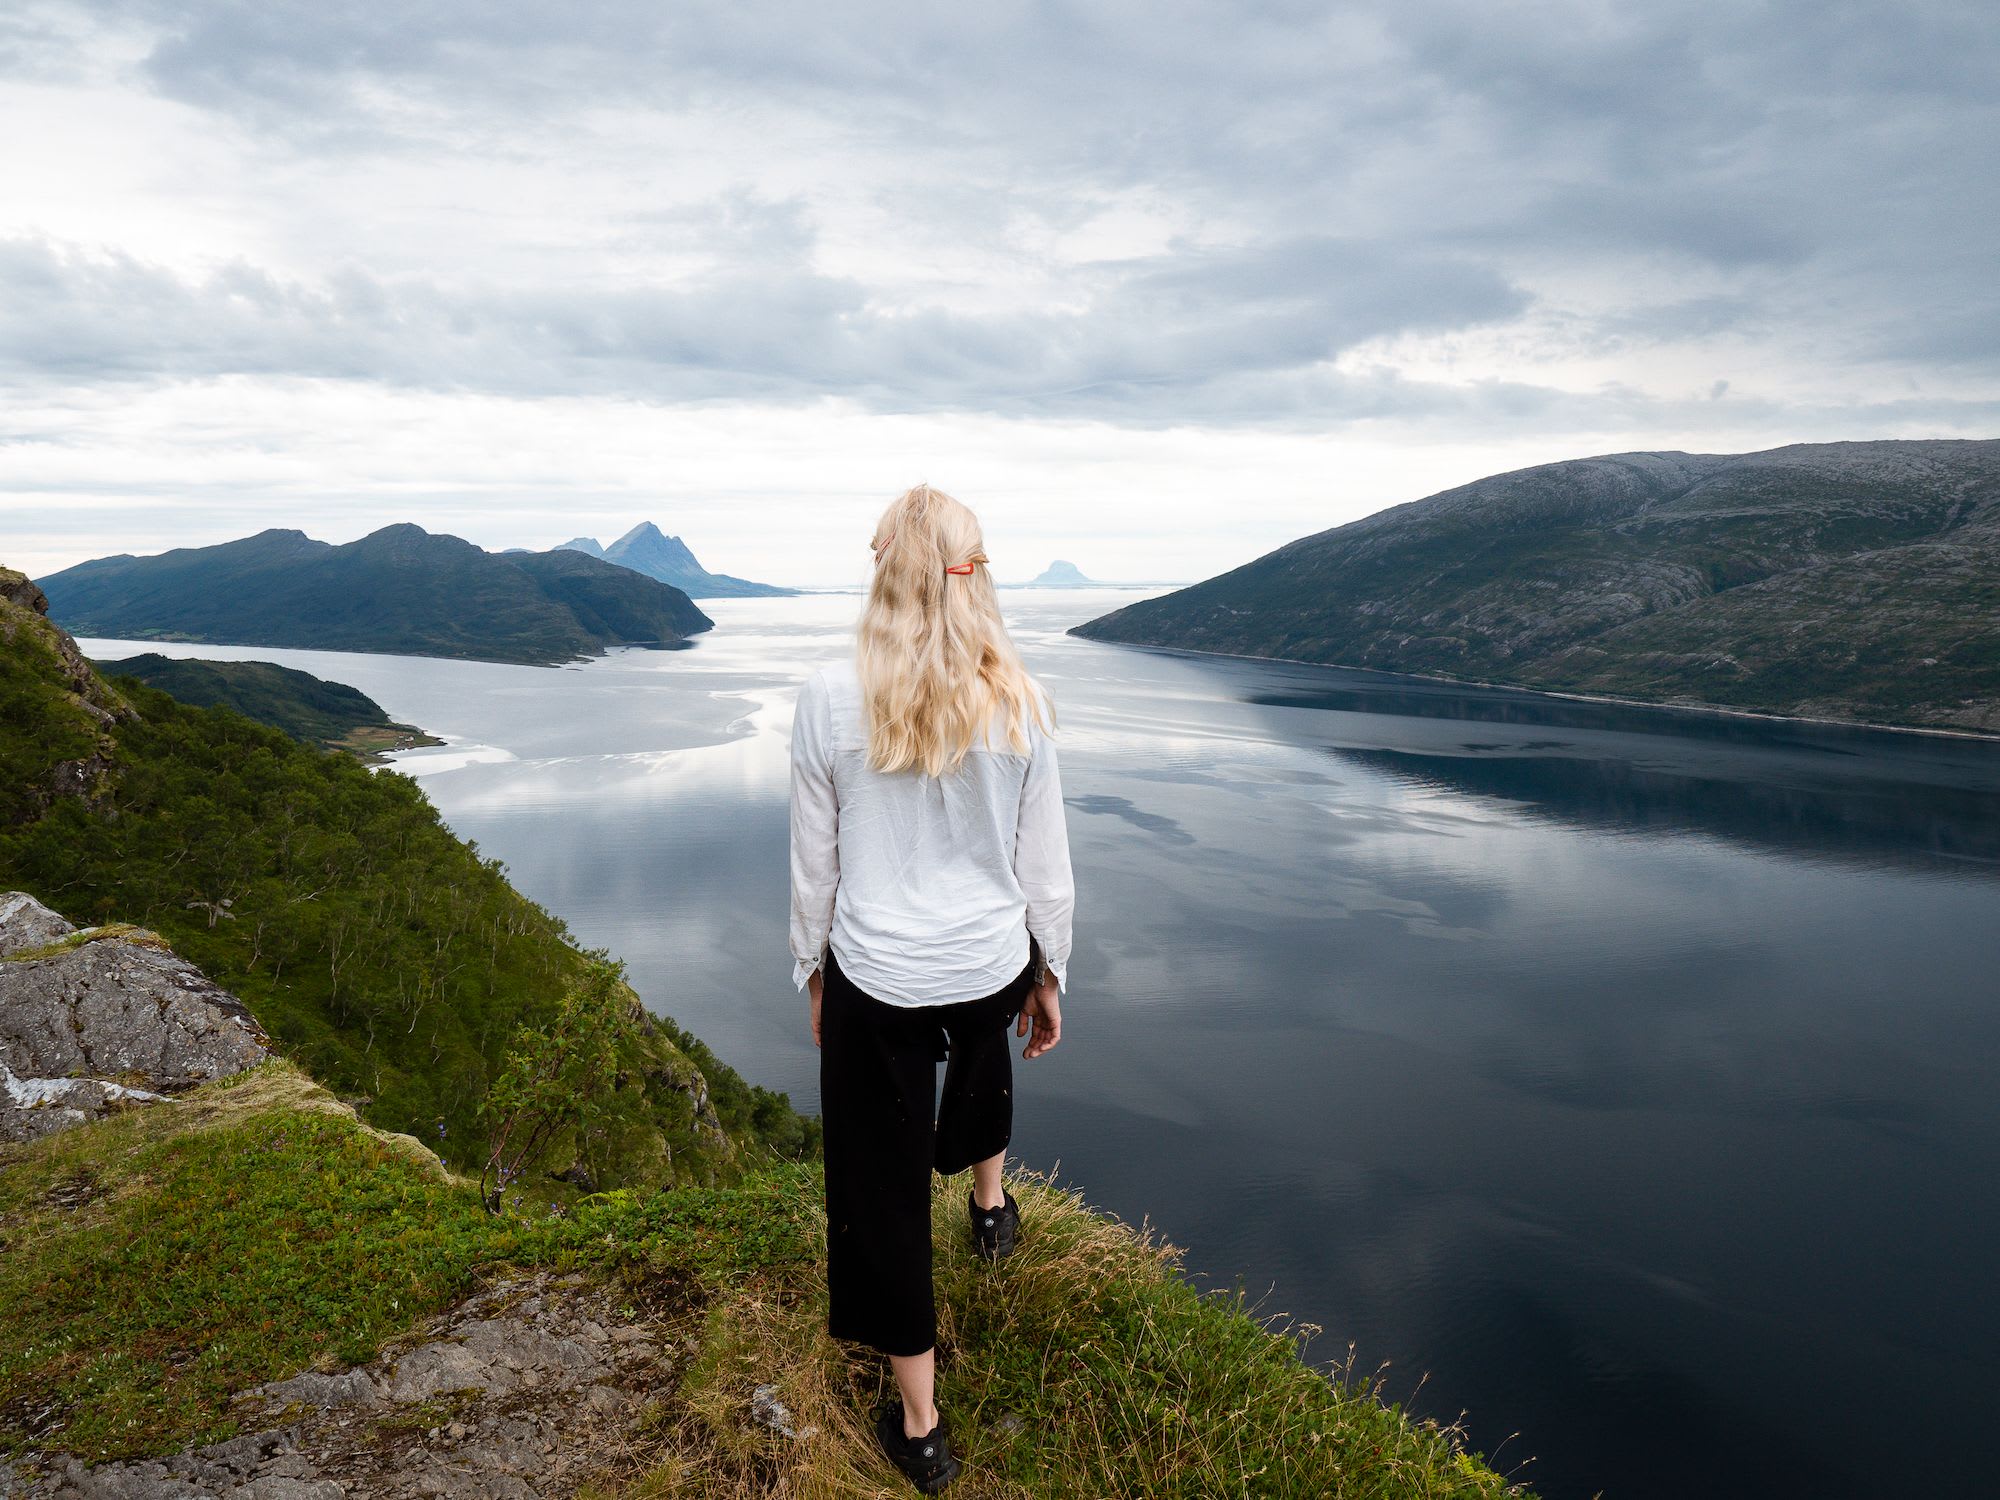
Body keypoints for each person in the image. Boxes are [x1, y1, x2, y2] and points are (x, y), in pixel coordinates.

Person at [788, 482, 1075, 1493]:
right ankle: (990, 1205)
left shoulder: (827, 695)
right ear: (974, 575)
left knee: (879, 1186)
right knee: (984, 1046)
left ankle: (920, 1427)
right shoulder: (1021, 697)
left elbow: (813, 865)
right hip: (987, 961)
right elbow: (1042, 867)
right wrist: (1047, 973)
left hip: (880, 971)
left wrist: (811, 971)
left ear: (884, 571)